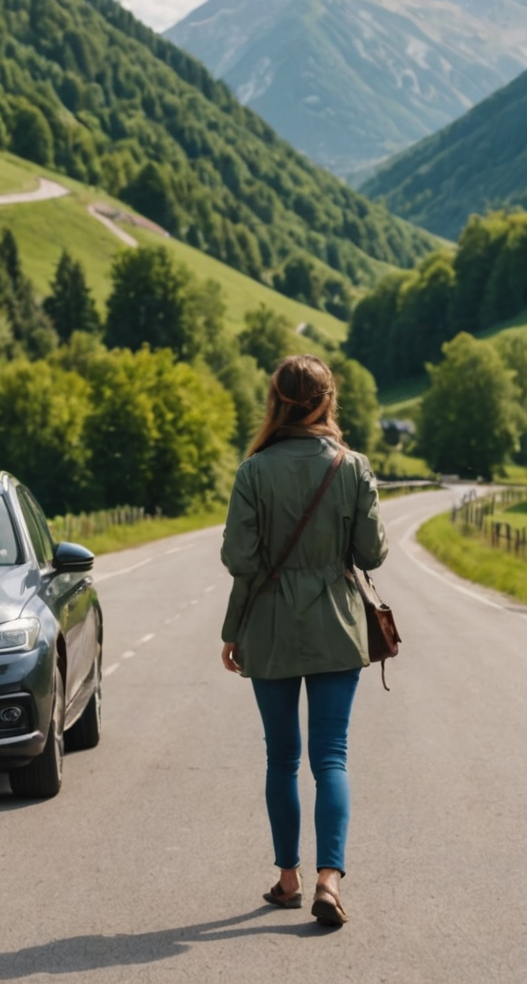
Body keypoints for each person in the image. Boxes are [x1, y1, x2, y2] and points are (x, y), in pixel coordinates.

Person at [220, 354, 387, 927]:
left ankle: (288, 878)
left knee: (281, 759)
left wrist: (231, 631)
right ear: (324, 401)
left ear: (277, 402)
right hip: (338, 627)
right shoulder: (352, 466)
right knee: (331, 757)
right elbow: (373, 553)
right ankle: (329, 879)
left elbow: (239, 559)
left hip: (267, 627)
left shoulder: (253, 471)